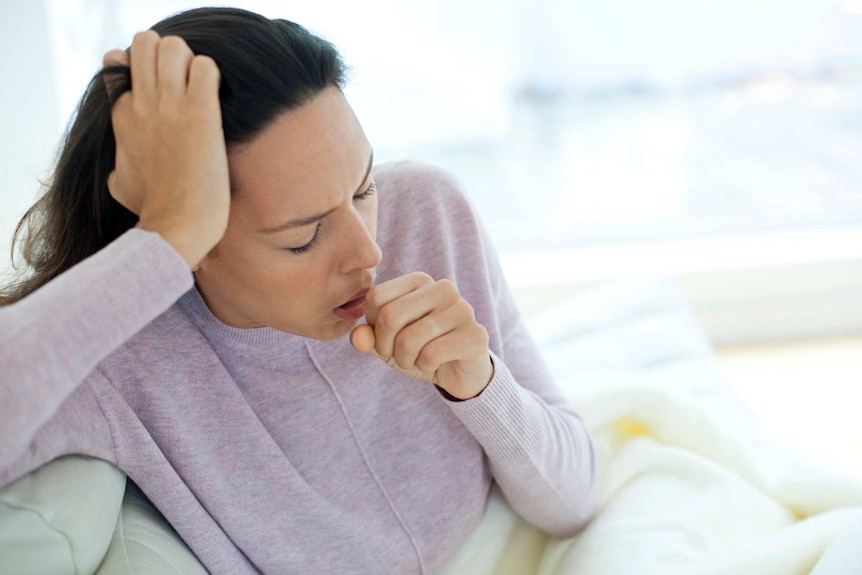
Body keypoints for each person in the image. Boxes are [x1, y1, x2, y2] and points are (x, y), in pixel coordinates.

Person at [0, 6, 598, 574]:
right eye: (303, 236)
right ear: (195, 239)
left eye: (363, 188)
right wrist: (167, 236)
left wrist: (480, 382)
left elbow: (573, 502)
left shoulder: (427, 211)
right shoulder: (120, 356)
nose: (370, 252)